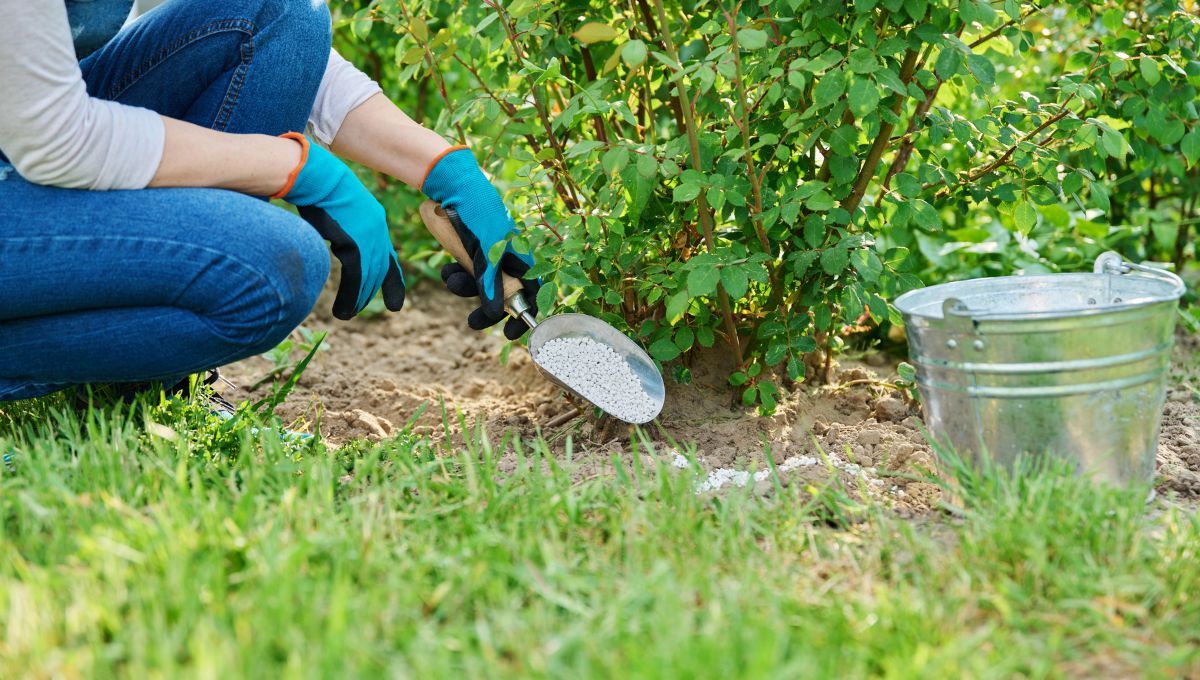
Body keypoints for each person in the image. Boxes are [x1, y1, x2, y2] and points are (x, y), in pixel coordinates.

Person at [0, 0, 540, 407]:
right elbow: (56, 140)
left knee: (284, 12)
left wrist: (445, 169)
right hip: (37, 145)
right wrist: (290, 167)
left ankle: (148, 371)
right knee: (273, 268)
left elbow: (267, 34)